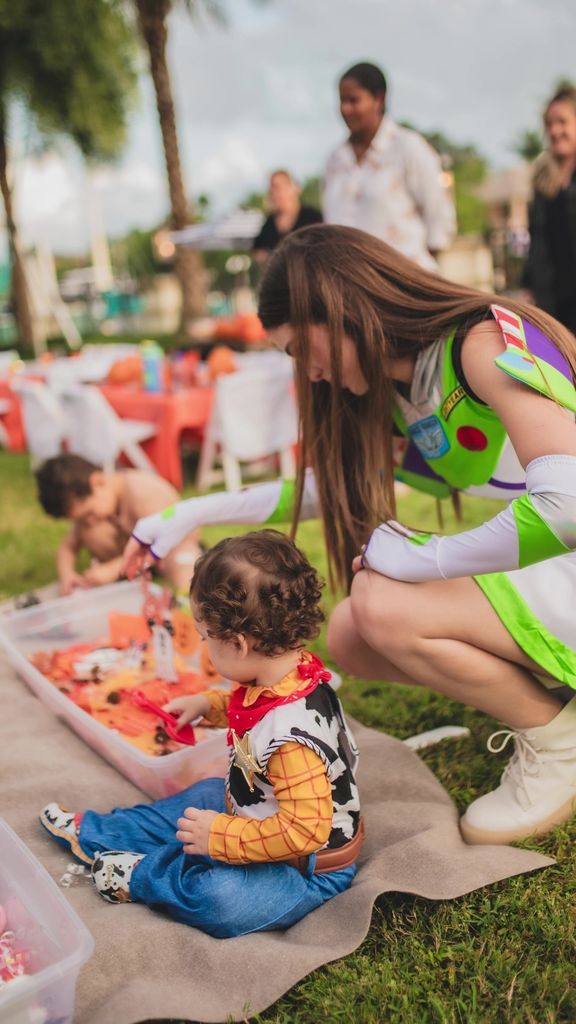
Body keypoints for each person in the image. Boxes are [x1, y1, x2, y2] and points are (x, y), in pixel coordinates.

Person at [121, 224, 576, 848]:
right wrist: (188, 513)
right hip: (560, 573)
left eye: (298, 350)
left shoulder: (482, 340)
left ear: (337, 310)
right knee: (352, 636)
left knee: (382, 603)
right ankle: (550, 692)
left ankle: (557, 738)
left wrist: (430, 556)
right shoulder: (396, 382)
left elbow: (566, 506)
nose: (309, 372)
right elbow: (321, 487)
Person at [40, 530, 362, 938]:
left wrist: (221, 836)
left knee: (220, 898)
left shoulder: (292, 746)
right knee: (197, 800)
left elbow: (303, 832)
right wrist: (208, 705)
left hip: (304, 868)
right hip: (255, 814)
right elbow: (255, 707)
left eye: (206, 637)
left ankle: (141, 875)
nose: (205, 645)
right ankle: (97, 834)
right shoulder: (287, 672)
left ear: (239, 643)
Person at [322, 62, 455, 270]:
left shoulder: (407, 147)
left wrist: (415, 279)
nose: (345, 109)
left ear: (378, 99)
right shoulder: (335, 160)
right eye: (342, 101)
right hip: (351, 288)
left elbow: (438, 216)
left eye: (353, 100)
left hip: (405, 284)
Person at [35, 453, 201, 596]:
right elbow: (68, 547)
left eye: (89, 514)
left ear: (97, 482)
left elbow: (164, 538)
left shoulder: (143, 493)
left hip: (172, 546)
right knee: (91, 532)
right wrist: (67, 576)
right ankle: (131, 574)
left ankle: (186, 599)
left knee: (183, 565)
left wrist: (113, 568)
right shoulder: (99, 503)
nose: (89, 521)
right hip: (136, 554)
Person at [523, 85, 576, 334]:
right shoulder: (542, 181)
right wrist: (528, 285)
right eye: (549, 124)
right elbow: (536, 242)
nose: (555, 131)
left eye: (562, 122)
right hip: (554, 305)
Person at [252, 169, 322, 262]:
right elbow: (258, 252)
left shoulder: (312, 217)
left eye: (278, 187)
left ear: (295, 188)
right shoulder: (269, 223)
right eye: (272, 188)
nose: (274, 193)